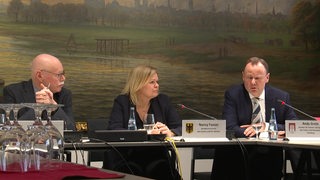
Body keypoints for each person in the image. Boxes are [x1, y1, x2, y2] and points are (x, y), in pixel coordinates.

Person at [212, 57, 297, 180]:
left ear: (267, 78)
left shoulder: (281, 97)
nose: (252, 82)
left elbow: (293, 126)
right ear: (243, 76)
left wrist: (265, 127)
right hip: (237, 157)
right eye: (249, 77)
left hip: (269, 159)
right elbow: (229, 128)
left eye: (257, 78)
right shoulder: (233, 94)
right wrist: (257, 132)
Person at [106, 65, 181, 179]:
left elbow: (180, 127)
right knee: (130, 170)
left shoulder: (163, 101)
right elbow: (114, 129)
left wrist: (169, 132)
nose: (157, 85)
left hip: (156, 157)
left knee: (166, 171)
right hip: (127, 157)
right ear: (138, 84)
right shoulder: (122, 101)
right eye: (152, 82)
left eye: (157, 81)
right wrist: (142, 133)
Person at [3, 53, 75, 131]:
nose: (63, 78)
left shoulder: (64, 94)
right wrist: (38, 107)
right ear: (40, 76)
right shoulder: (13, 92)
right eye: (59, 75)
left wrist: (55, 107)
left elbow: (71, 131)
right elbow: (10, 130)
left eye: (63, 73)